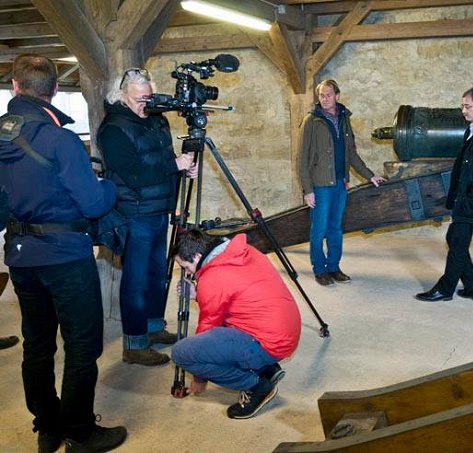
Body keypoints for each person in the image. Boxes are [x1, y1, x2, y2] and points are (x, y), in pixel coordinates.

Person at [0, 54, 126, 452]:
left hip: (21, 257)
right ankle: (80, 431)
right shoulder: (60, 139)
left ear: (16, 87)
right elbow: (92, 203)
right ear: (54, 90)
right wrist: (110, 188)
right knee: (82, 343)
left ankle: (48, 426)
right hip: (65, 257)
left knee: (37, 343)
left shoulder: (3, 135)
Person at [97, 67, 198, 366]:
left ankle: (154, 328)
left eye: (149, 97)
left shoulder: (157, 119)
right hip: (134, 212)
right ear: (122, 96)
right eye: (139, 98)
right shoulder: (113, 129)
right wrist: (174, 166)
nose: (146, 103)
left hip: (158, 209)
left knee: (157, 275)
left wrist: (183, 168)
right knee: (136, 281)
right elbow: (134, 175)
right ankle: (134, 344)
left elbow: (165, 160)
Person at [170, 229, 301, 419]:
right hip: (284, 332)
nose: (188, 273)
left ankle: (257, 386)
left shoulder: (212, 278)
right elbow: (234, 293)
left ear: (198, 255)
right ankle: (266, 369)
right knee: (226, 323)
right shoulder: (243, 251)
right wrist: (199, 294)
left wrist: (200, 378)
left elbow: (207, 327)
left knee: (182, 353)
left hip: (269, 343)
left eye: (187, 267)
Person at [416, 86, 473, 303]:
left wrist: (470, 192)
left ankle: (445, 289)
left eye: (467, 106)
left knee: (456, 241)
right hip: (466, 197)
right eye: (462, 106)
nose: (463, 111)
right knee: (455, 240)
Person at [298, 79, 386, 286]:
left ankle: (334, 267)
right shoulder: (311, 121)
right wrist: (307, 190)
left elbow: (351, 153)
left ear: (337, 95)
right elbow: (301, 159)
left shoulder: (345, 118)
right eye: (321, 95)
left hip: (339, 183)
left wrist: (369, 175)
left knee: (335, 228)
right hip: (320, 185)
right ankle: (320, 270)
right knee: (318, 230)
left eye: (328, 94)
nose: (325, 98)